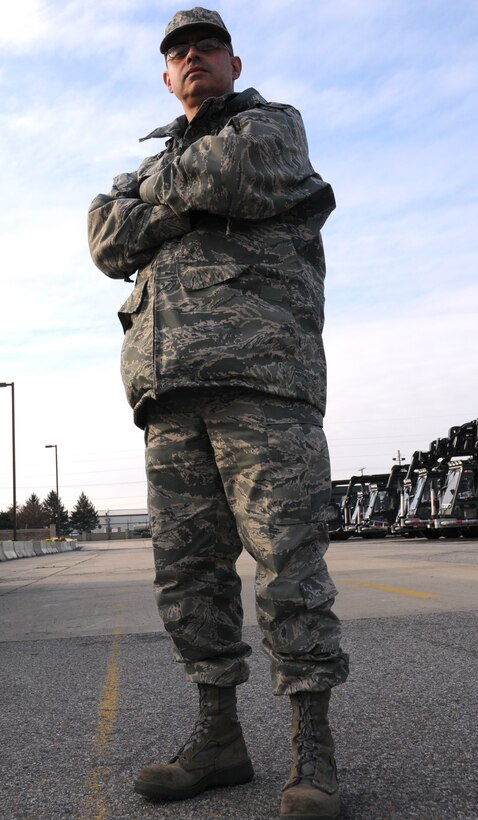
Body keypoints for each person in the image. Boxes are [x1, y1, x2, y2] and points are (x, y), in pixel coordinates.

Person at [87, 7, 349, 818]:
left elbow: (234, 172)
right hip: (168, 395)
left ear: (232, 63)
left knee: (289, 567)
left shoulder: (272, 126)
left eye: (205, 46)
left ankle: (314, 754)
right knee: (190, 577)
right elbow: (104, 235)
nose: (190, 55)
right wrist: (184, 195)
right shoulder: (161, 157)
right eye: (176, 52)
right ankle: (220, 740)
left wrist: (157, 203)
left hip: (263, 378)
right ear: (166, 77)